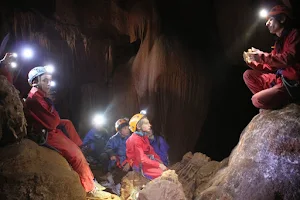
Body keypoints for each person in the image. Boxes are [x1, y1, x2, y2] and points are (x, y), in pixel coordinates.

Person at [23, 66, 110, 198]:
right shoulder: (35, 98)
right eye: (45, 80)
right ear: (35, 81)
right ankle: (90, 187)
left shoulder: (40, 96)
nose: (49, 84)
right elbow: (52, 121)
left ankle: (81, 148)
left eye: (49, 81)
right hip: (45, 133)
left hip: (46, 127)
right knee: (76, 155)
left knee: (67, 123)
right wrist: (51, 104)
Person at [243, 5, 300, 109]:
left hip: (291, 83)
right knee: (248, 75)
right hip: (280, 79)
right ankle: (271, 100)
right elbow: (272, 66)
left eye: (271, 19)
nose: (267, 23)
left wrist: (261, 56)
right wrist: (254, 62)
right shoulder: (279, 43)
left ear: (282, 19)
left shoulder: (294, 35)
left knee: (257, 100)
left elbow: (287, 59)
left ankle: (280, 102)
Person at [126, 113, 167, 180]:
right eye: (146, 123)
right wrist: (158, 165)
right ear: (139, 127)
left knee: (166, 170)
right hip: (139, 164)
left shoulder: (143, 136)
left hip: (146, 161)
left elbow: (151, 150)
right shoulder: (135, 140)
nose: (149, 125)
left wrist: (159, 161)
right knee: (162, 175)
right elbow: (142, 159)